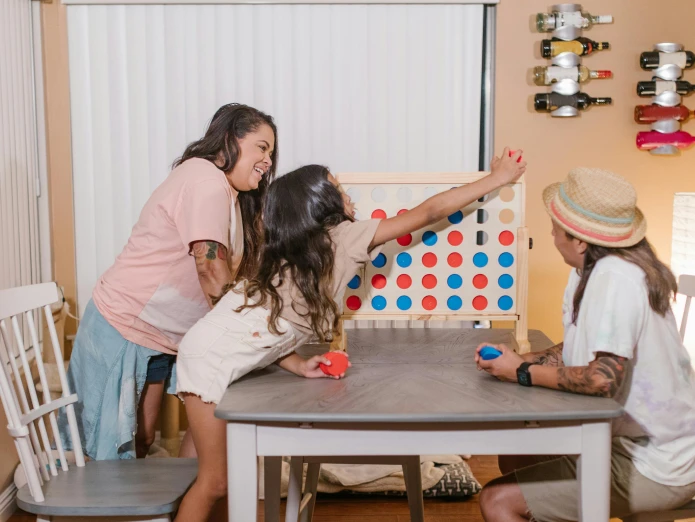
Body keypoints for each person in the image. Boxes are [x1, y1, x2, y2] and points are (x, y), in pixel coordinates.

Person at [172, 150, 527, 522]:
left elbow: (259, 328)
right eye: (340, 190)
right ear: (320, 202)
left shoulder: (296, 253)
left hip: (212, 352)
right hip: (209, 360)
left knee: (218, 479)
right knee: (216, 482)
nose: (349, 197)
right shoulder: (341, 237)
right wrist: (496, 179)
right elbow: (427, 213)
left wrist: (296, 364)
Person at [476, 167, 695, 522]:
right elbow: (580, 346)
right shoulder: (595, 270)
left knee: (497, 501)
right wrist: (521, 360)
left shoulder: (615, 278)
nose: (552, 233)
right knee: (516, 454)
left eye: (556, 226)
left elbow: (602, 378)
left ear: (580, 241)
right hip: (631, 444)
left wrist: (522, 372)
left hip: (657, 465)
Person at [59, 103, 278, 460]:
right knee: (107, 450)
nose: (268, 160)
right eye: (261, 147)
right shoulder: (206, 181)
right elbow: (210, 269)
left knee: (142, 439)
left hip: (160, 335)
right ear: (229, 140)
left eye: (272, 152)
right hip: (125, 325)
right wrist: (243, 331)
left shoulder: (229, 195)